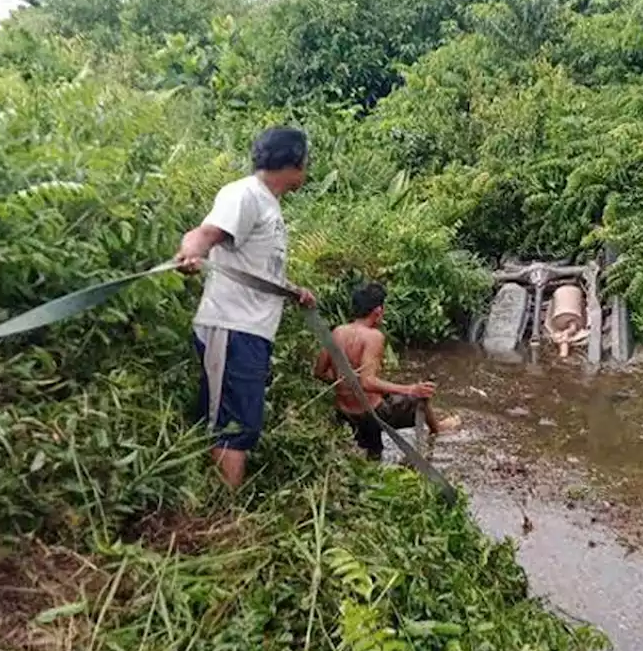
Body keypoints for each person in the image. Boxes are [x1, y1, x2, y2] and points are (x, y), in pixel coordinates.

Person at [174, 127, 316, 488]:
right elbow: (205, 233)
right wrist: (192, 251)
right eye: (306, 161)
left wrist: (292, 290)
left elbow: (255, 269)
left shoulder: (268, 204)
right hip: (231, 328)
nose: (308, 168)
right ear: (293, 162)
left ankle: (222, 505)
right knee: (232, 425)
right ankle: (225, 514)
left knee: (241, 423)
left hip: (250, 333)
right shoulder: (245, 195)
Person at [314, 282, 460, 460]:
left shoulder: (337, 332)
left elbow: (320, 372)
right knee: (420, 398)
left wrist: (345, 385)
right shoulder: (373, 336)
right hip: (370, 414)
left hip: (344, 412)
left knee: (372, 456)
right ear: (377, 311)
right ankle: (437, 429)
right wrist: (411, 389)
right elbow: (367, 382)